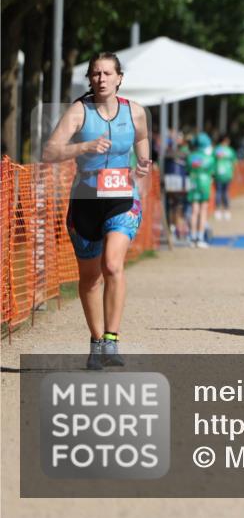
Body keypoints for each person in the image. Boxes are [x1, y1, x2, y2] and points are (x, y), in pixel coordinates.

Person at [42, 52, 150, 370]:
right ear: (90, 79)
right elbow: (49, 151)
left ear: (119, 78)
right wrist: (83, 147)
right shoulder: (79, 111)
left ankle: (112, 340)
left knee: (112, 265)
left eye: (107, 73)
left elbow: (142, 139)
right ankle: (97, 340)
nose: (101, 79)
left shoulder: (136, 112)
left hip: (122, 199)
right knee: (89, 278)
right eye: (96, 74)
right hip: (85, 200)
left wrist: (144, 162)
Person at [186, 132, 215, 247]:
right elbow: (212, 173)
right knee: (203, 211)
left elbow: (187, 170)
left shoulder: (190, 157)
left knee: (194, 211)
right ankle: (200, 237)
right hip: (204, 185)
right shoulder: (210, 158)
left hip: (193, 184)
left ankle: (192, 238)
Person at [213, 135, 237, 220]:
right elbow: (234, 162)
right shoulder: (230, 151)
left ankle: (218, 211)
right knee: (225, 192)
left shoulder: (216, 150)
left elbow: (212, 161)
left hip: (218, 174)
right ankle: (226, 211)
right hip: (227, 174)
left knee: (218, 192)